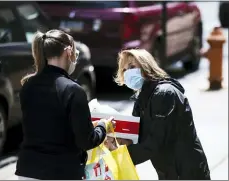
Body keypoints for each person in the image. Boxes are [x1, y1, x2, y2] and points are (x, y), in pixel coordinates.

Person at [15, 29, 114, 180]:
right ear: (68, 52)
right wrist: (102, 127)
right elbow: (86, 141)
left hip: (27, 170)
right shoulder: (72, 90)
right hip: (61, 172)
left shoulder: (28, 85)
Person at [107, 48, 211, 180]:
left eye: (132, 66)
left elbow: (154, 142)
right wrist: (117, 141)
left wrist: (120, 156)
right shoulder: (142, 98)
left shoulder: (164, 94)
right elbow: (136, 135)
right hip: (169, 170)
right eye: (124, 70)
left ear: (146, 67)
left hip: (186, 171)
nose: (127, 73)